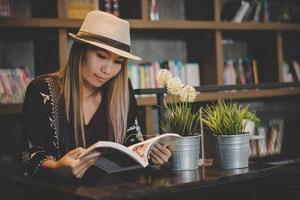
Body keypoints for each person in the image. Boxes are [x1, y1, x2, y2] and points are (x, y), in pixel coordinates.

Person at [21, 10, 171, 179]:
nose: (107, 70)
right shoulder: (43, 90)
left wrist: (153, 157)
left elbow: (132, 145)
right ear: (80, 51)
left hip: (117, 191)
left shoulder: (122, 90)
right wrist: (57, 168)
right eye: (101, 56)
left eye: (118, 62)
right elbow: (30, 154)